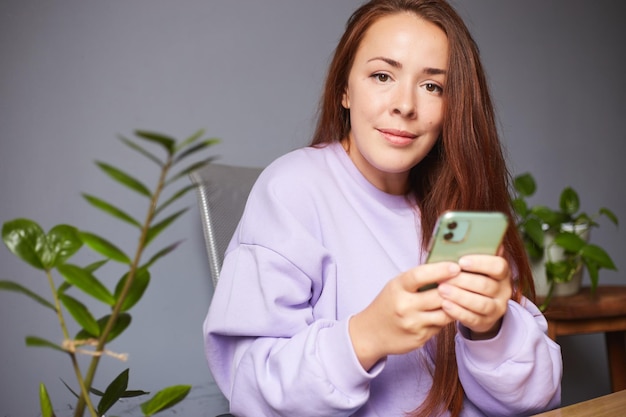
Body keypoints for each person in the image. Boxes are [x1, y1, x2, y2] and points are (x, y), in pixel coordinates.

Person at [203, 0, 562, 416]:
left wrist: (490, 329)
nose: (405, 105)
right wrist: (365, 337)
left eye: (433, 86)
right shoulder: (292, 189)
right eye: (382, 75)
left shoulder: (458, 208)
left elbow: (541, 397)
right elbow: (249, 385)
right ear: (344, 89)